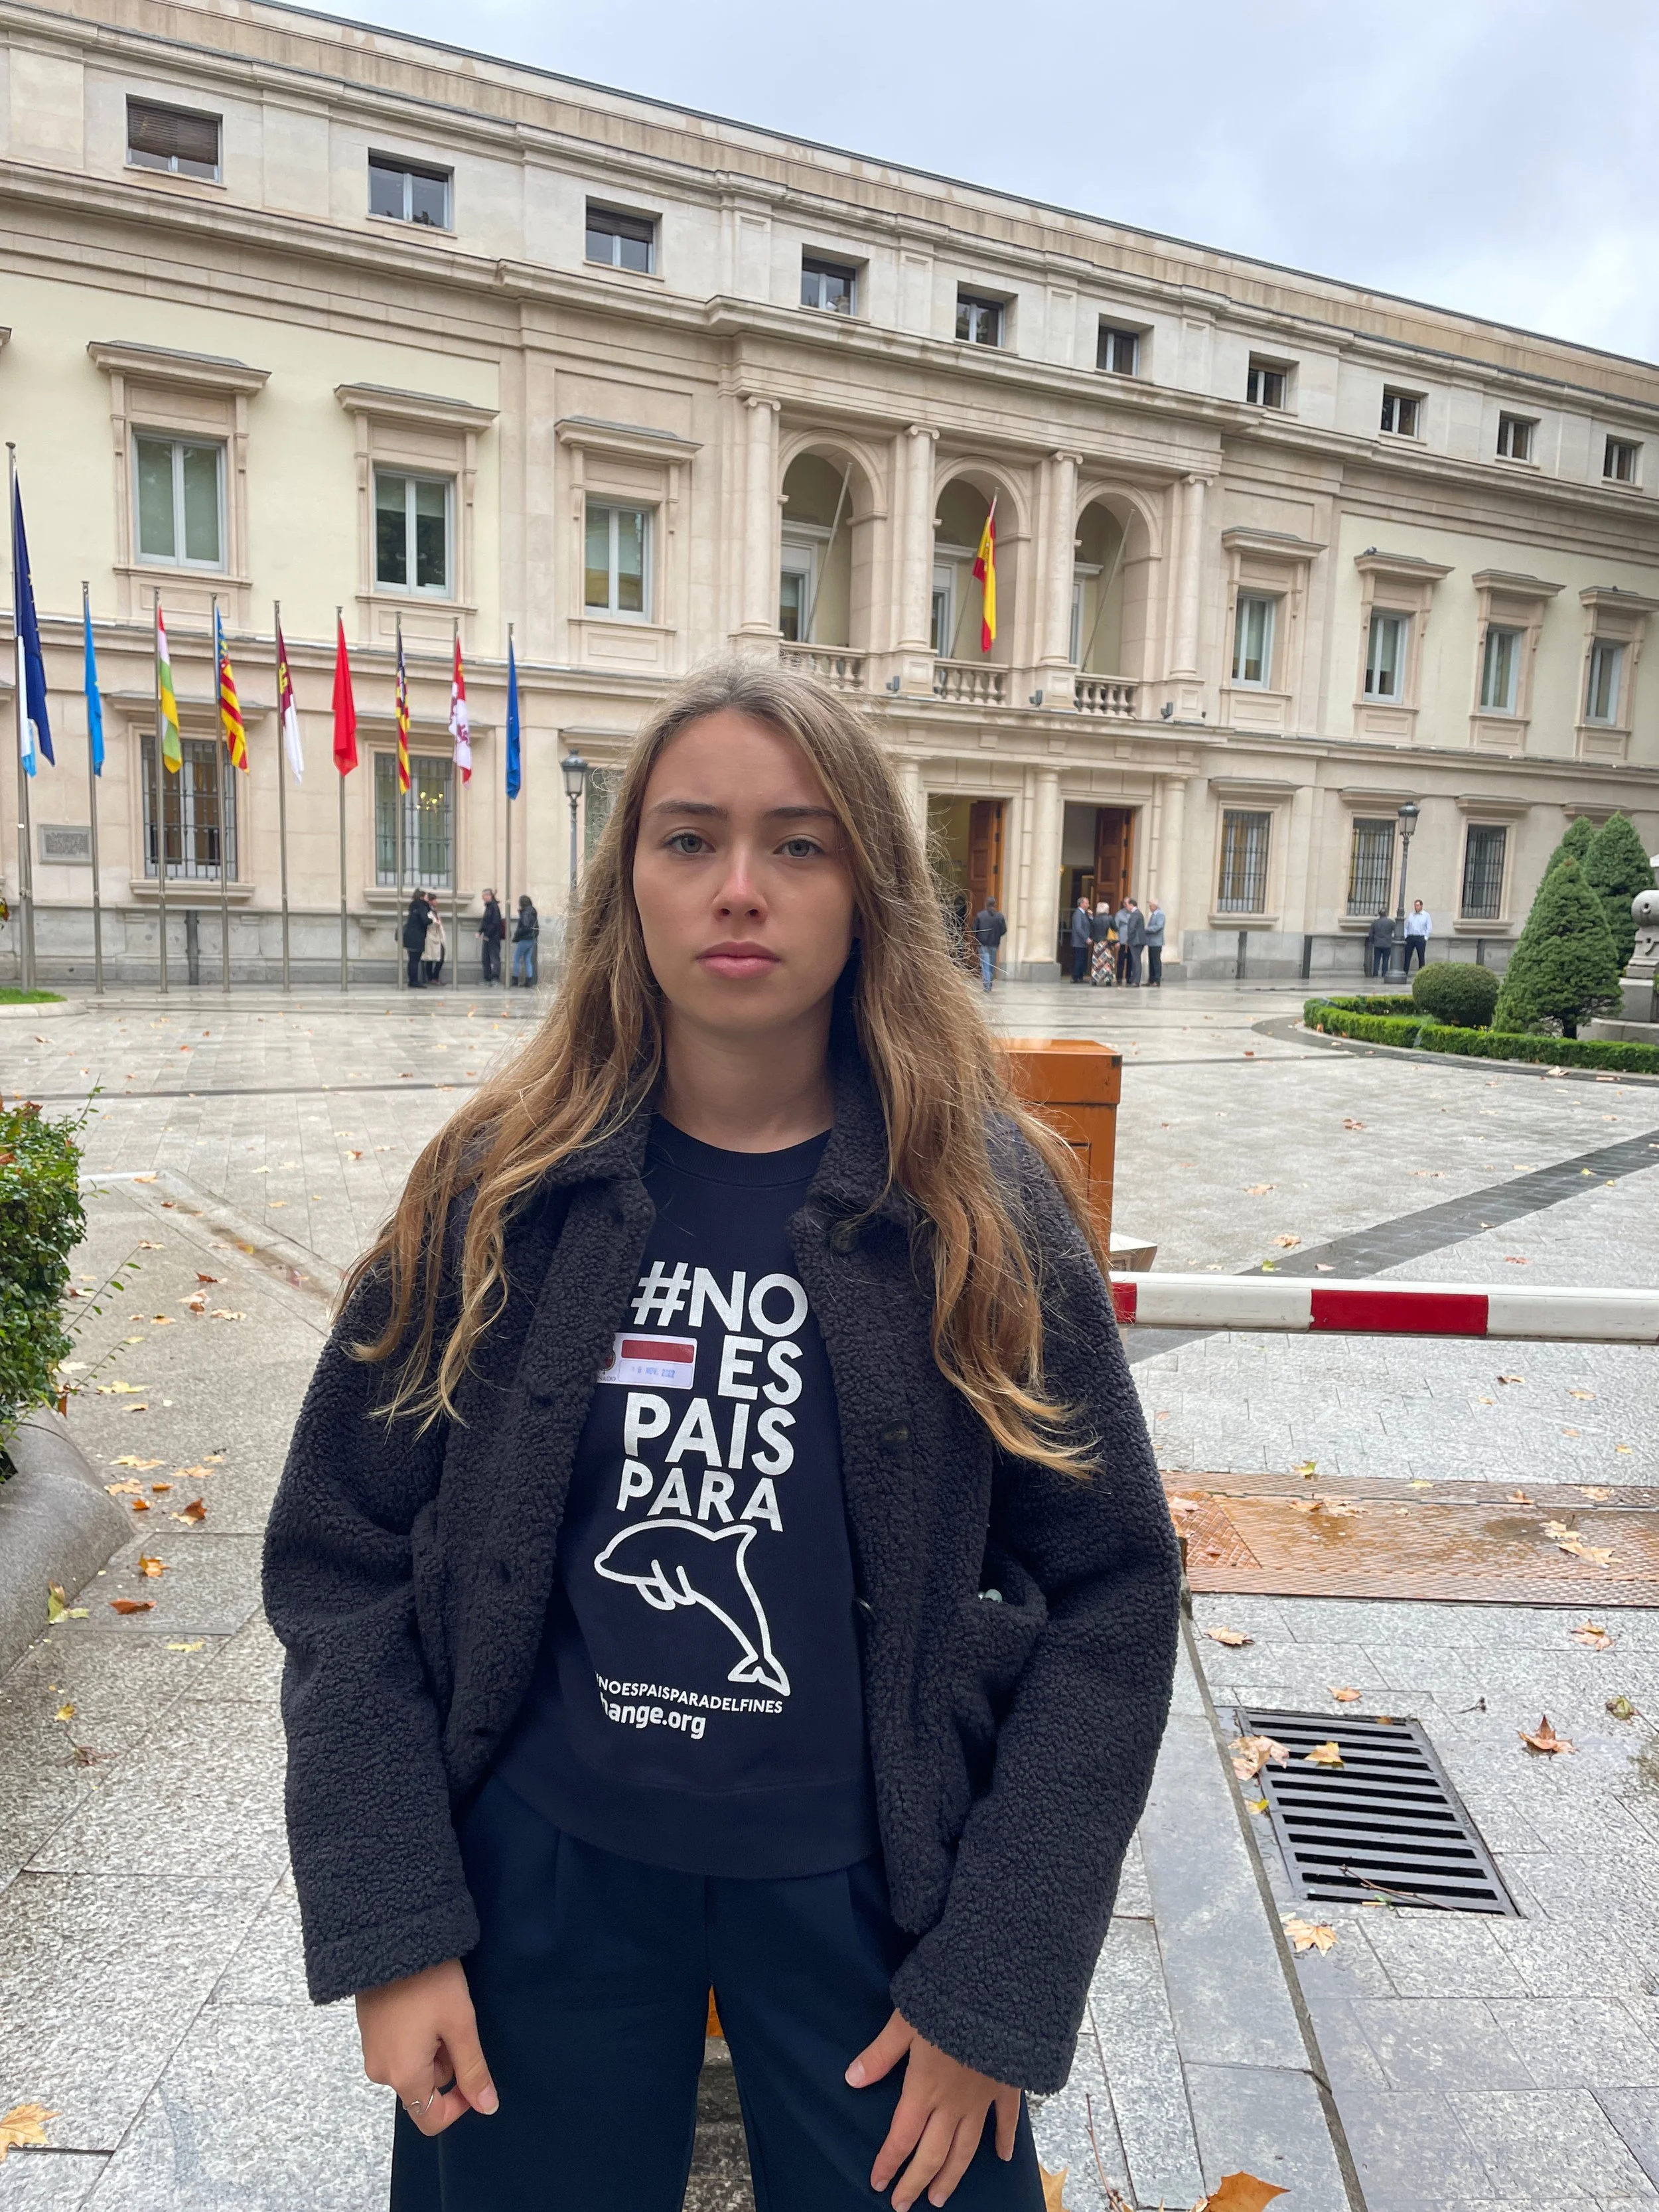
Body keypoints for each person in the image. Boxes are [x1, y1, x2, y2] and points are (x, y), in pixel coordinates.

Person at [263, 661, 1179, 2212]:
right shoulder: (498, 1185)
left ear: (868, 889)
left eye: (797, 844)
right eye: (689, 840)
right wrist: (394, 1925)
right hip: (539, 1889)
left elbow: (1113, 1593)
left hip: (880, 1893)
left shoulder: (976, 1201)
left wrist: (993, 1988)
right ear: (629, 883)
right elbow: (339, 1551)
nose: (738, 888)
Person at [970, 896, 1007, 993]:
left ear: (986, 904)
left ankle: (987, 985)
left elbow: (974, 929)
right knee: (991, 965)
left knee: (985, 964)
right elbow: (1004, 930)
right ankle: (989, 984)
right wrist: (997, 935)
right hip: (994, 944)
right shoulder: (1000, 917)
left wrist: (979, 936)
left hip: (983, 944)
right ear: (995, 904)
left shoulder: (980, 916)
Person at [401, 891, 431, 990]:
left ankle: (412, 980)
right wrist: (432, 920)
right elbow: (425, 920)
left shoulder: (413, 906)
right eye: (427, 897)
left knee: (412, 960)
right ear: (422, 897)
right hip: (417, 936)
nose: (428, 899)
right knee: (415, 960)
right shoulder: (422, 906)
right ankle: (414, 981)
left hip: (410, 936)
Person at [511, 894, 539, 988]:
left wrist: (517, 934)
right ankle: (529, 981)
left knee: (516, 958)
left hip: (525, 938)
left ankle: (515, 979)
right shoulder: (533, 911)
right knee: (527, 960)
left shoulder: (526, 912)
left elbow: (525, 926)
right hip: (532, 938)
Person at [478, 890, 505, 985]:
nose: (483, 898)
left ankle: (495, 978)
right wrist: (480, 931)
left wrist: (488, 935)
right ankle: (487, 978)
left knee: (494, 958)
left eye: (485, 895)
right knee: (485, 958)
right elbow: (484, 922)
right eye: (483, 896)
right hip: (487, 936)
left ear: (490, 896)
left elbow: (495, 923)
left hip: (493, 937)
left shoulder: (494, 907)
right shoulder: (488, 907)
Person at [422, 892, 447, 987]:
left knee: (441, 956)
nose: (437, 902)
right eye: (434, 900)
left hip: (438, 936)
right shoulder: (427, 910)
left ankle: (434, 977)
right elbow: (428, 922)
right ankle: (431, 978)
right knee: (430, 957)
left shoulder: (435, 911)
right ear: (430, 901)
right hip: (431, 936)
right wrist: (435, 922)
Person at [1088, 901, 1116, 987]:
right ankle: (1108, 980)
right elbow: (1115, 929)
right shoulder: (1110, 918)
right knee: (1107, 962)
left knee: (1097, 962)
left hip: (1097, 943)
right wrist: (1116, 942)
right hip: (1107, 943)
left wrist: (1091, 938)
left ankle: (1095, 979)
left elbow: (1092, 931)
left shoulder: (1095, 919)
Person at [1120, 901, 1145, 988]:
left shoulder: (1136, 914)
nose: (1127, 908)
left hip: (1136, 941)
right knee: (1136, 960)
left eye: (1127, 906)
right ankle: (1134, 980)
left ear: (1131, 905)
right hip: (1138, 940)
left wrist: (1128, 939)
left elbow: (1132, 928)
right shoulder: (1138, 914)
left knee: (1136, 961)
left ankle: (1136, 981)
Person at [1402, 899, 1431, 973]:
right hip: (1410, 938)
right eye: (1415, 905)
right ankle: (1405, 972)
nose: (1416, 907)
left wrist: (1425, 938)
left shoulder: (1426, 915)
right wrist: (1406, 936)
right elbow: (1406, 927)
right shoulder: (1411, 915)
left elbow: (1429, 927)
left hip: (1420, 938)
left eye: (1417, 905)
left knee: (1421, 957)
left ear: (1421, 906)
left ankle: (1421, 973)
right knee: (1407, 956)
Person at [1069, 895, 1092, 983]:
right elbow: (1078, 928)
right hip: (1079, 942)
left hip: (1083, 942)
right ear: (1081, 904)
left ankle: (1080, 976)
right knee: (1079, 959)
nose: (1088, 905)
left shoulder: (1084, 914)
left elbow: (1089, 926)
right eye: (1086, 903)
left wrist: (1090, 917)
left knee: (1082, 959)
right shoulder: (1078, 914)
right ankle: (1076, 977)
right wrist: (1086, 938)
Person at [1143, 901, 1165, 988]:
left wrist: (1147, 929)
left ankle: (1157, 980)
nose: (1149, 908)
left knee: (1156, 961)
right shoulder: (1154, 915)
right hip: (1152, 942)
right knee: (1151, 961)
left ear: (1155, 906)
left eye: (1151, 906)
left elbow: (1159, 927)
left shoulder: (1160, 915)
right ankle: (1151, 980)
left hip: (1157, 942)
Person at [1367, 908, 1395, 979]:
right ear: (1386, 914)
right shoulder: (1391, 922)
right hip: (1387, 944)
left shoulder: (1375, 923)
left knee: (1377, 959)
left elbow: (1371, 934)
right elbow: (1397, 931)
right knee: (1386, 960)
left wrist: (1373, 941)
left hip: (1377, 944)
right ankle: (1384, 974)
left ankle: (1375, 974)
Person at [1112, 897, 1133, 984]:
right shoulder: (1119, 914)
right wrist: (1117, 940)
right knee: (1120, 960)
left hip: (1132, 941)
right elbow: (1115, 928)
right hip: (1122, 941)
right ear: (1124, 904)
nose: (1127, 905)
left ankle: (1129, 978)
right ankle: (1119, 978)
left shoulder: (1135, 913)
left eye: (1129, 903)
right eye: (1126, 903)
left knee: (1131, 960)